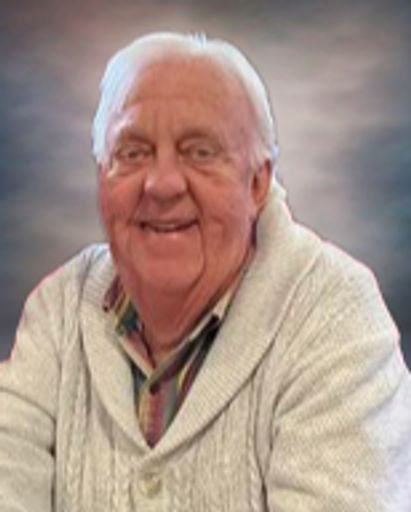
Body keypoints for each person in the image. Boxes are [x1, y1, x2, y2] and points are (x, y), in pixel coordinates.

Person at [0, 31, 410, 512]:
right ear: (101, 176)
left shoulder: (336, 318)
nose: (162, 184)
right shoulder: (59, 309)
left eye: (200, 152)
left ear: (258, 183)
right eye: (133, 153)